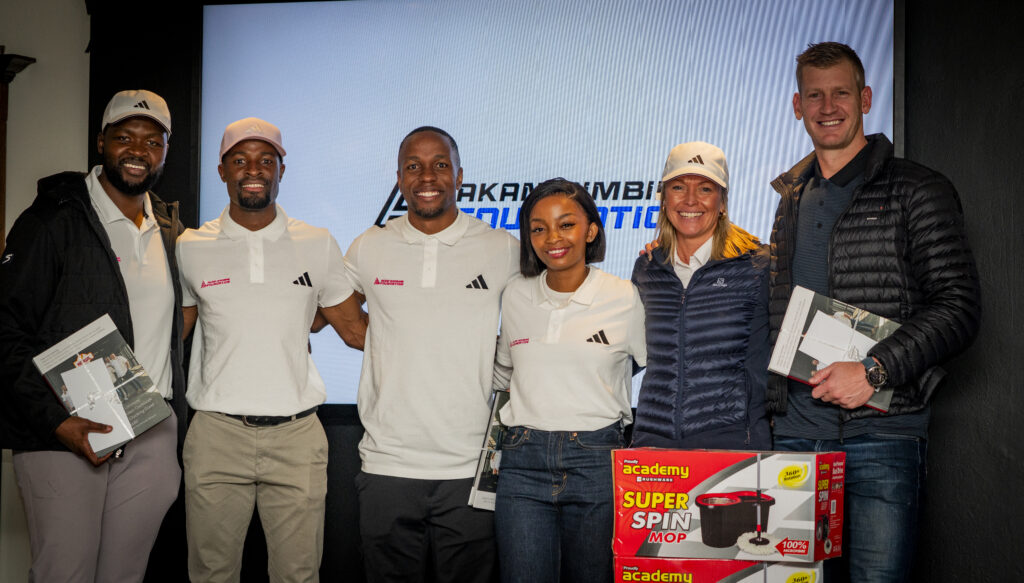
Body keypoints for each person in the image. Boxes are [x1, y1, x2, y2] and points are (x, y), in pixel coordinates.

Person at [768, 42, 981, 582]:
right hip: (795, 438)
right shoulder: (791, 197)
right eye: (814, 96)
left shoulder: (917, 188)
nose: (827, 107)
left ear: (865, 98)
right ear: (797, 106)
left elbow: (958, 307)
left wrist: (873, 371)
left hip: (879, 438)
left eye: (840, 93)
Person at [0, 89, 184, 582]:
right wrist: (55, 421)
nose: (138, 151)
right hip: (66, 430)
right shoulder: (51, 220)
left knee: (124, 575)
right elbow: (6, 329)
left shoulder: (169, 228)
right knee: (65, 573)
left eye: (153, 142)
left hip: (150, 428)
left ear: (165, 152)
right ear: (101, 142)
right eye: (125, 137)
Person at [176, 117, 364, 582]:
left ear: (282, 169)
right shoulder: (190, 246)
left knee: (298, 575)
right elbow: (170, 335)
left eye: (265, 160)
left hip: (296, 437)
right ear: (222, 171)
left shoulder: (317, 243)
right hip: (216, 435)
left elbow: (356, 331)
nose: (253, 170)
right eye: (240, 160)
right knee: (211, 574)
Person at [343, 126, 518, 582]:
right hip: (386, 464)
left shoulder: (502, 247)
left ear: (459, 175)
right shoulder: (369, 245)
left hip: (470, 467)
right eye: (413, 166)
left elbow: (547, 305)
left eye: (440, 165)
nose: (427, 176)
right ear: (399, 178)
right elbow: (331, 310)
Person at [492, 178, 646, 583]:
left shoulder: (624, 296)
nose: (552, 238)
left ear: (591, 230)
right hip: (523, 460)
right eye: (538, 228)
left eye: (566, 224)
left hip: (596, 459)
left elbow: (654, 367)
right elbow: (505, 371)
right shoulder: (515, 295)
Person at [631, 141, 771, 450]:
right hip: (653, 446)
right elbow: (629, 355)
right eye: (678, 187)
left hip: (732, 445)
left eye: (705, 189)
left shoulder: (758, 266)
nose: (691, 200)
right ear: (664, 198)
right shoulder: (647, 267)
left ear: (722, 202)